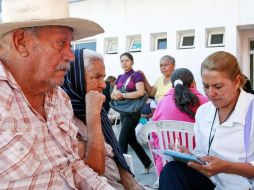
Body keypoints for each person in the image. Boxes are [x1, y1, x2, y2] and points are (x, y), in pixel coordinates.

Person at [0, 0, 115, 189]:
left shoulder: (60, 98)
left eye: (70, 44)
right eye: (62, 42)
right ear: (21, 42)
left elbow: (74, 166)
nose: (70, 55)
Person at [159, 51, 254, 190]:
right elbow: (203, 154)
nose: (211, 93)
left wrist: (226, 167)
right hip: (212, 183)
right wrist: (190, 156)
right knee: (172, 170)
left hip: (243, 186)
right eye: (206, 86)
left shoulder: (250, 110)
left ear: (236, 81)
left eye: (218, 86)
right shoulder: (204, 111)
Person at [62, 48, 144, 190]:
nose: (103, 84)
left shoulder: (95, 108)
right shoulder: (64, 116)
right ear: (76, 77)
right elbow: (95, 169)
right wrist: (93, 114)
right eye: (96, 77)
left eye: (103, 77)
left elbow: (115, 152)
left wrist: (131, 183)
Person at [152, 68, 208, 176]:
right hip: (201, 168)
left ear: (172, 85)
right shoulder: (206, 103)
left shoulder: (162, 103)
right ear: (193, 83)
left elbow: (154, 136)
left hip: (167, 167)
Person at [111, 52, 152, 174]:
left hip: (133, 112)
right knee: (131, 140)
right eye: (122, 61)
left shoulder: (137, 75)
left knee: (122, 140)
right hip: (123, 111)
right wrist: (115, 95)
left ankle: (123, 170)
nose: (124, 63)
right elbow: (113, 94)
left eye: (127, 60)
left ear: (132, 62)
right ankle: (147, 162)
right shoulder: (119, 77)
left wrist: (122, 95)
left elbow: (140, 92)